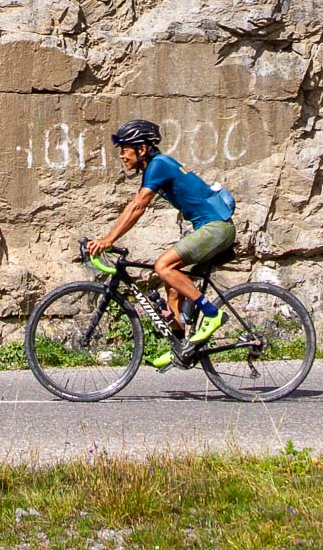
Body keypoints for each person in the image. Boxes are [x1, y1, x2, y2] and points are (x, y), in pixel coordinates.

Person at [86, 119, 236, 367]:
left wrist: (108, 240)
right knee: (173, 285)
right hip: (210, 227)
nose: (122, 155)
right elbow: (135, 204)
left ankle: (212, 313)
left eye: (125, 149)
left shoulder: (158, 165)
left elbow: (137, 207)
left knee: (163, 266)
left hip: (216, 227)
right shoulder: (154, 167)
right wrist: (108, 238)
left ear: (142, 149)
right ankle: (181, 346)